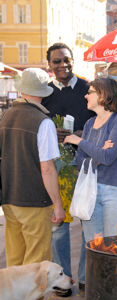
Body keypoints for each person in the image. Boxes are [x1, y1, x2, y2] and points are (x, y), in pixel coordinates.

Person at [42, 42, 94, 295]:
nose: (63, 65)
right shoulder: (45, 92)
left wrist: (83, 133)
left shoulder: (88, 88)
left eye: (66, 59)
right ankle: (64, 280)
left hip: (85, 166)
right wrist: (53, 132)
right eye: (57, 61)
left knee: (87, 224)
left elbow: (100, 120)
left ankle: (85, 277)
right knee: (58, 229)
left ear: (73, 60)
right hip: (56, 168)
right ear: (49, 66)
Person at [0, 68, 66, 267]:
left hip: (9, 198)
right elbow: (47, 168)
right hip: (34, 200)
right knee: (37, 264)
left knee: (15, 259)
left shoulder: (6, 117)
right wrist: (58, 204)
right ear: (42, 93)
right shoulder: (43, 122)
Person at [64, 77, 117, 244]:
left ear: (103, 95)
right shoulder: (89, 123)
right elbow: (80, 160)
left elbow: (107, 157)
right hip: (91, 191)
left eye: (90, 92)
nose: (85, 96)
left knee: (115, 247)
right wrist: (98, 153)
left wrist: (79, 141)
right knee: (93, 246)